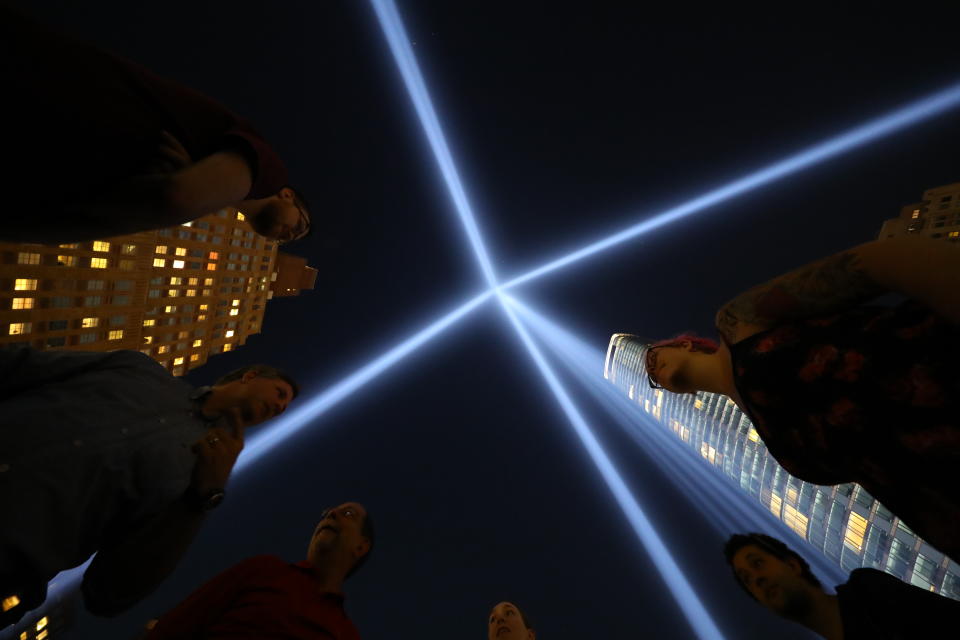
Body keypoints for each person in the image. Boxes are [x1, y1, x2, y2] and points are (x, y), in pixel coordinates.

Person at [641, 236, 960, 559]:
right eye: (652, 378)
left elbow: (878, 263)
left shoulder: (735, 323)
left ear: (684, 344)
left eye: (653, 356)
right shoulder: (768, 438)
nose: (653, 370)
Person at [0, 347, 299, 628]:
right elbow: (21, 365)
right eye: (279, 393)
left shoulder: (201, 473)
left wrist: (203, 497)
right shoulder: (137, 368)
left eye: (283, 409)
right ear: (250, 376)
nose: (279, 406)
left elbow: (110, 594)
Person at [0, 6, 311, 244]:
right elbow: (176, 197)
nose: (290, 235)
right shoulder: (269, 172)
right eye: (300, 224)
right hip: (54, 93)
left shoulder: (222, 189)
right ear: (286, 195)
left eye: (292, 239)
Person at [146, 502, 373, 639]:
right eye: (327, 513)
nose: (331, 513)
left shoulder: (346, 634)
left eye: (348, 514)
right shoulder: (264, 570)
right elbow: (178, 624)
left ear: (361, 546)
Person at [724, 532, 960, 639]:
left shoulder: (868, 593)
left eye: (757, 563)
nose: (756, 578)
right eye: (746, 579)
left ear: (793, 564)